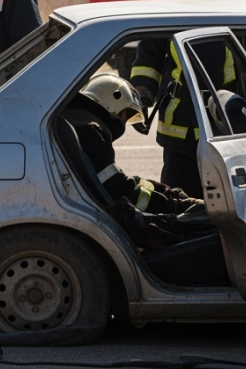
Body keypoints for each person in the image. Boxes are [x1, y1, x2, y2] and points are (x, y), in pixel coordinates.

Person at [129, 0, 246, 196]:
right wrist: (141, 95)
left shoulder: (244, 4)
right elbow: (147, 59)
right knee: (178, 201)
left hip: (230, 123)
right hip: (180, 127)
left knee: (232, 201)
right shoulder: (167, 5)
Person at [59, 74, 209, 252]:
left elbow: (115, 179)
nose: (123, 122)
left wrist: (162, 189)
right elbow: (120, 190)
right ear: (112, 103)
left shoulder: (79, 123)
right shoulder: (91, 132)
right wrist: (174, 206)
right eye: (125, 115)